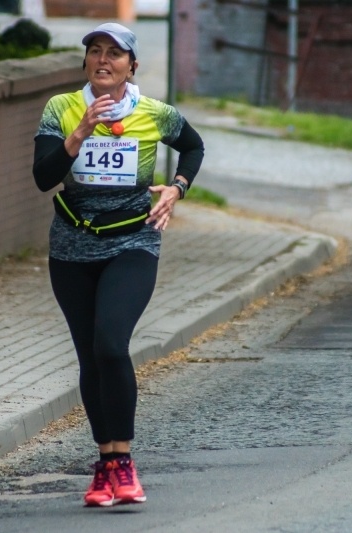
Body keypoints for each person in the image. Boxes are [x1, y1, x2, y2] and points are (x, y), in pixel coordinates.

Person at [33, 22, 204, 507]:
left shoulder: (155, 114)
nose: (103, 60)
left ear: (132, 66)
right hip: (71, 247)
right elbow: (43, 177)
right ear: (85, 62)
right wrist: (80, 132)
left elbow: (193, 146)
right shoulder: (61, 109)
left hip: (133, 241)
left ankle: (124, 461)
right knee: (89, 354)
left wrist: (177, 186)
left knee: (111, 342)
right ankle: (105, 465)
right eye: (94, 52)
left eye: (114, 53)